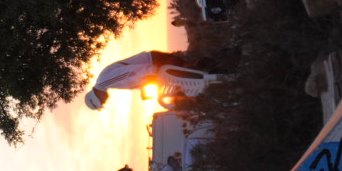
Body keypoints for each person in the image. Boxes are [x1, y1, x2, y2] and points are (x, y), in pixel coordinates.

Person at [85, 51, 232, 111]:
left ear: (96, 100)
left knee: (191, 73)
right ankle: (222, 71)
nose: (104, 103)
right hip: (155, 65)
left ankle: (225, 67)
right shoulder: (106, 83)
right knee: (191, 74)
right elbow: (133, 78)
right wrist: (143, 89)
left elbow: (130, 72)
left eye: (101, 104)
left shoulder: (105, 82)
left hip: (155, 62)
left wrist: (153, 71)